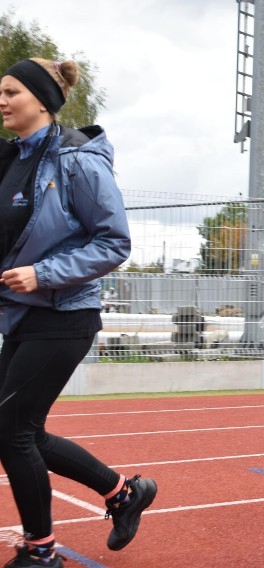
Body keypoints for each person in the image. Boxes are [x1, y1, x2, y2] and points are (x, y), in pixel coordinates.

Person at [0, 58, 157, 567]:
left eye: (11, 92)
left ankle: (41, 551)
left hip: (64, 313)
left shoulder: (78, 161)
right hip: (22, 315)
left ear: (43, 100)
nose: (1, 101)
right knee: (23, 430)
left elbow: (114, 242)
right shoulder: (12, 158)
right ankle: (122, 493)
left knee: (12, 430)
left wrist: (43, 273)